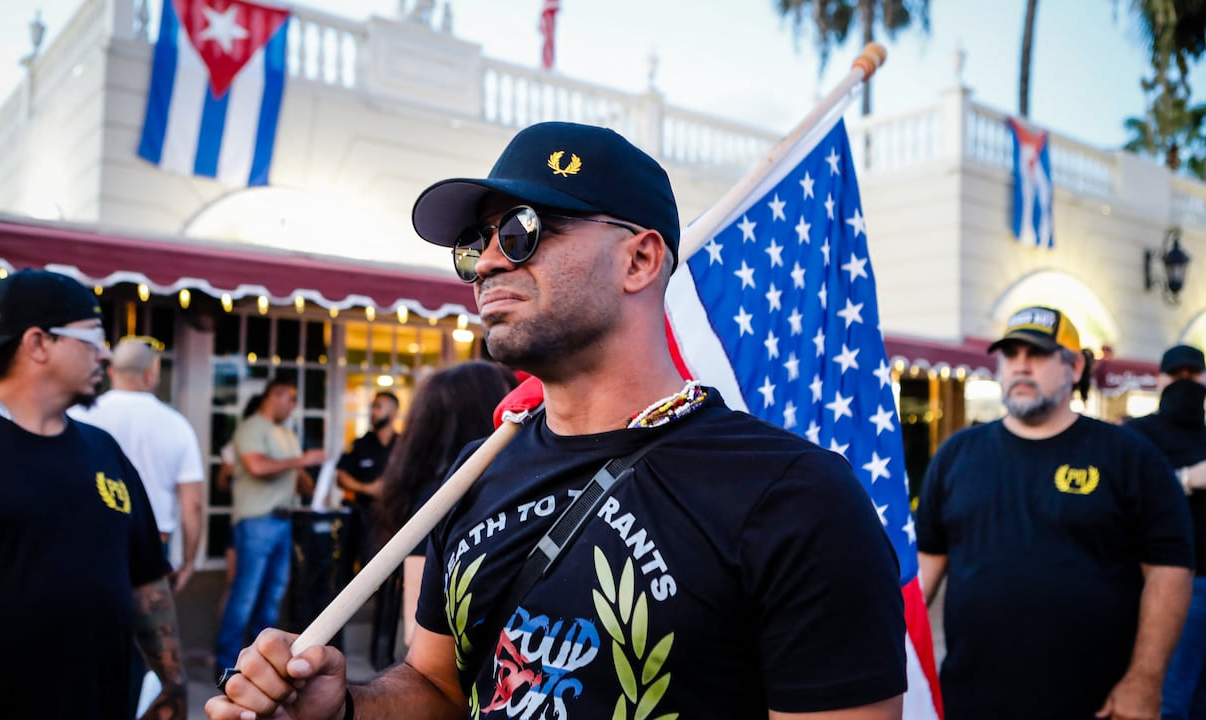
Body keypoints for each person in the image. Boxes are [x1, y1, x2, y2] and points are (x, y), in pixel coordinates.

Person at [208, 120, 906, 719]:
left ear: (639, 258)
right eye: (475, 242)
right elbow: (437, 687)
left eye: (520, 231)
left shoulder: (795, 498)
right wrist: (348, 707)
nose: (483, 263)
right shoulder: (478, 470)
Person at [0, 268, 187, 719]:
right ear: (38, 343)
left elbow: (146, 579)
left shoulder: (103, 449)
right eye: (92, 337)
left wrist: (172, 683)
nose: (105, 354)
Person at [916, 305, 1195, 720]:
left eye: (1039, 354)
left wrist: (1145, 681)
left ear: (1076, 365)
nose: (1021, 366)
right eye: (1010, 355)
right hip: (972, 698)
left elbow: (1169, 571)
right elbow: (926, 565)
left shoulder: (1129, 457)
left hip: (1095, 701)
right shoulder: (957, 454)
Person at [68, 335, 205, 715]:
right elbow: (192, 502)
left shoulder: (81, 417)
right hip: (151, 550)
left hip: (89, 545)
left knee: (94, 643)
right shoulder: (175, 424)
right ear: (152, 373)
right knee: (148, 650)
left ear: (111, 370)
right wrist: (190, 559)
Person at [375, 360, 518, 655]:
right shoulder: (438, 500)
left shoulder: (506, 486)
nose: (519, 412)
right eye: (507, 400)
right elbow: (416, 633)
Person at [214, 377, 326, 675]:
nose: (294, 406)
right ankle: (226, 666)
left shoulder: (287, 434)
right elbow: (257, 466)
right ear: (273, 396)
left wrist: (313, 480)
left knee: (272, 598)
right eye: (290, 398)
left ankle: (257, 665)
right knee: (245, 595)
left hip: (284, 521)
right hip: (256, 521)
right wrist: (302, 459)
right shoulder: (252, 427)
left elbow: (300, 480)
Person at [1125, 343, 1206, 719]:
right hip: (1166, 584)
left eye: (1194, 375)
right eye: (1177, 376)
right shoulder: (1137, 436)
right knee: (1171, 698)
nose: (1186, 383)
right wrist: (1188, 478)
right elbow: (1126, 500)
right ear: (1160, 380)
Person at [335, 389, 400, 668]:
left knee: (391, 588)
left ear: (394, 411)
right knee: (348, 585)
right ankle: (334, 650)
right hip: (362, 521)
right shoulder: (362, 444)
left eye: (380, 407)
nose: (374, 412)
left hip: (396, 523)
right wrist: (367, 488)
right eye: (372, 407)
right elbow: (341, 476)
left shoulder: (405, 445)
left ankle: (381, 656)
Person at [215, 392, 266, 620]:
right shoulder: (236, 444)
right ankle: (226, 651)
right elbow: (221, 484)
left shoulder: (276, 443)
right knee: (235, 584)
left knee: (259, 589)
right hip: (242, 520)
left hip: (264, 519)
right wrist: (238, 474)